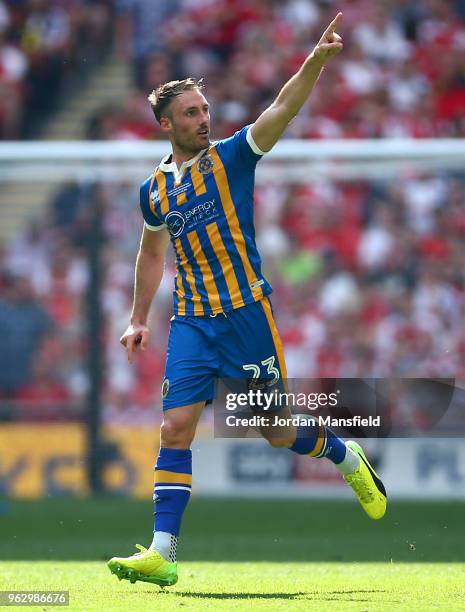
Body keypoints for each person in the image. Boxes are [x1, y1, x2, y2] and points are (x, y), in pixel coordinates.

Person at [108, 13, 387, 588]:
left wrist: (315, 60)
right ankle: (163, 551)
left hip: (246, 316)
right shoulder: (153, 189)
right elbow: (150, 253)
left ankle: (344, 456)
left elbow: (280, 109)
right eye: (191, 113)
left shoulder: (233, 157)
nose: (203, 119)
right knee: (175, 427)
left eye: (205, 109)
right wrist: (137, 318)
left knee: (276, 431)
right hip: (191, 321)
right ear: (166, 124)